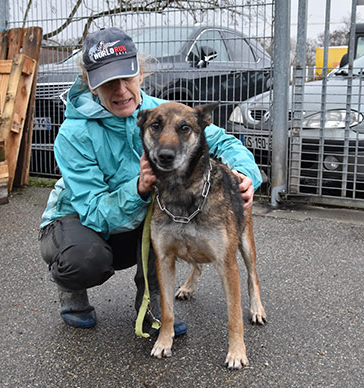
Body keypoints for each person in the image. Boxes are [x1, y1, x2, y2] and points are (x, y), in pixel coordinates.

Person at [39, 27, 262, 335]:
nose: (120, 91)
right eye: (108, 82)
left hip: (133, 217)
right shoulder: (73, 134)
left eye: (127, 78)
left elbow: (223, 141)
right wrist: (139, 188)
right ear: (91, 84)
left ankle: (153, 302)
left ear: (141, 74)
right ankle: (71, 290)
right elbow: (92, 210)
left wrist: (246, 174)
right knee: (84, 259)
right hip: (79, 221)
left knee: (164, 220)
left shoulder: (162, 113)